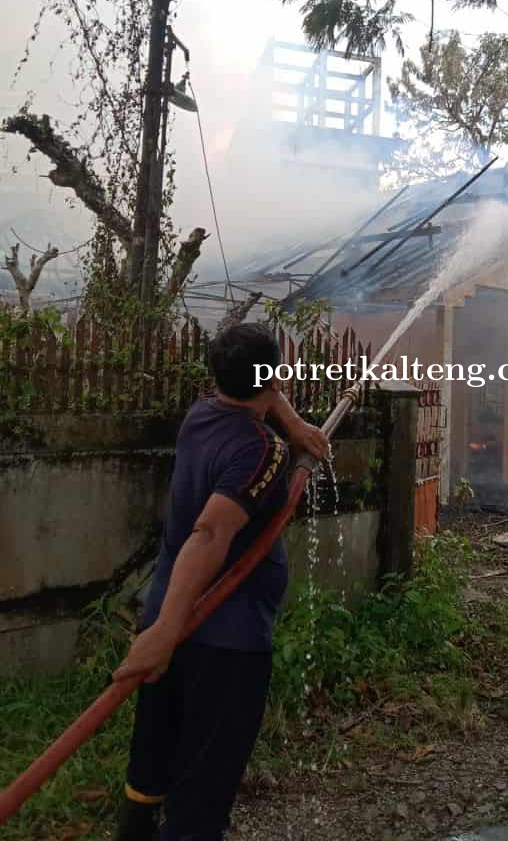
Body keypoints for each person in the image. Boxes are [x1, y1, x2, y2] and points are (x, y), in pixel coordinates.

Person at [113, 322, 329, 841]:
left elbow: (258, 396)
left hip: (167, 610)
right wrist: (167, 634)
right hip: (222, 640)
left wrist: (294, 422)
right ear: (275, 376)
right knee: (204, 786)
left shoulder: (202, 414)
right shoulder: (261, 452)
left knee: (152, 762)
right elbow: (210, 534)